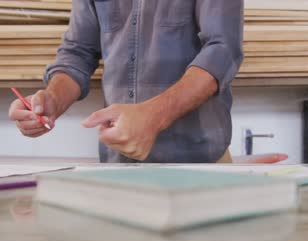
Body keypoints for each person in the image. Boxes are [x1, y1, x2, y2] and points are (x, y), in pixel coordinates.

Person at [8, 1, 244, 163]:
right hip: (120, 165)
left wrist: (153, 116)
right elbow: (78, 52)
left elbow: (222, 51)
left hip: (200, 163)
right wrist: (52, 99)